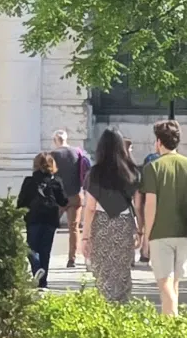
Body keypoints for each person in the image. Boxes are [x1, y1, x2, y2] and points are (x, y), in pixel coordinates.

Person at [139, 118, 187, 316]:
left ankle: (174, 320)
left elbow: (150, 205)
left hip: (160, 233)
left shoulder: (153, 167)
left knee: (164, 283)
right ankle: (170, 324)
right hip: (185, 233)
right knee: (174, 282)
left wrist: (146, 236)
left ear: (159, 142)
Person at [79, 128, 142, 302]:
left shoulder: (95, 173)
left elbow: (90, 207)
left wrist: (85, 237)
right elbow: (137, 205)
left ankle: (105, 306)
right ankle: (122, 306)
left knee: (102, 271)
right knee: (122, 271)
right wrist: (140, 230)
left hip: (101, 223)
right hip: (124, 223)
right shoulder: (133, 171)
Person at [16, 152, 67, 285]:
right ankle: (43, 282)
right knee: (45, 250)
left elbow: (21, 202)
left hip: (33, 218)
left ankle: (37, 268)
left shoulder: (29, 181)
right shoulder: (56, 181)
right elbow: (63, 201)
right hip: (50, 219)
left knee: (31, 248)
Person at [50, 128, 92, 270]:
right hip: (75, 194)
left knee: (49, 225)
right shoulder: (77, 152)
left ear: (55, 140)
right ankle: (71, 259)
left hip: (58, 197)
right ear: (66, 139)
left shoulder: (53, 155)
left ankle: (46, 253)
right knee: (73, 227)